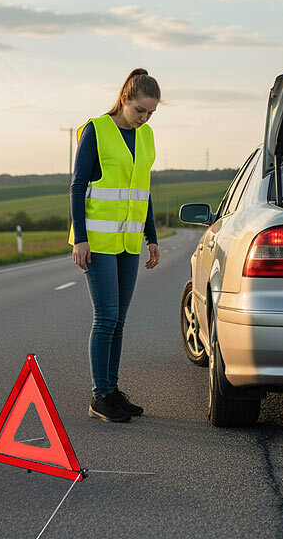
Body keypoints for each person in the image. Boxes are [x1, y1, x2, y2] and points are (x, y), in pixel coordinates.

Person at [69, 68, 161, 423]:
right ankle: (99, 395)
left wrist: (151, 237)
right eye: (140, 110)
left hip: (128, 240)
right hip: (97, 240)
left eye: (151, 113)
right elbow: (77, 186)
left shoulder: (147, 136)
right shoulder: (96, 130)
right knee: (105, 317)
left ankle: (112, 391)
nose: (144, 118)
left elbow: (143, 191)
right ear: (125, 98)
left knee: (119, 320)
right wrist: (80, 237)